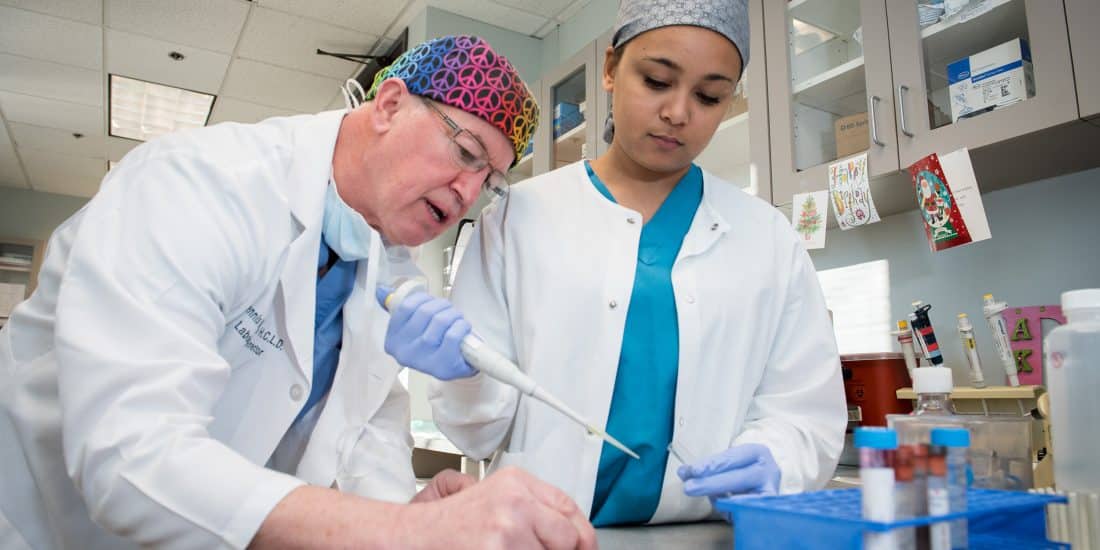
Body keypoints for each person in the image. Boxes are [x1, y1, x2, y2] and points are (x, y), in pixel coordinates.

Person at [0, 35, 596, 549]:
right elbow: (129, 457)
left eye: (489, 181)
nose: (468, 193)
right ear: (389, 104)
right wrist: (409, 535)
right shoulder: (197, 187)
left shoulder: (384, 268)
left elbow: (365, 435)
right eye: (465, 152)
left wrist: (408, 516)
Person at [381, 1, 847, 526]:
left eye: (709, 96)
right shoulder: (517, 218)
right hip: (540, 532)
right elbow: (478, 433)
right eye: (655, 81)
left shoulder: (767, 240)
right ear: (609, 70)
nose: (678, 112)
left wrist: (777, 460)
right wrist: (464, 377)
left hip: (701, 535)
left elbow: (804, 411)